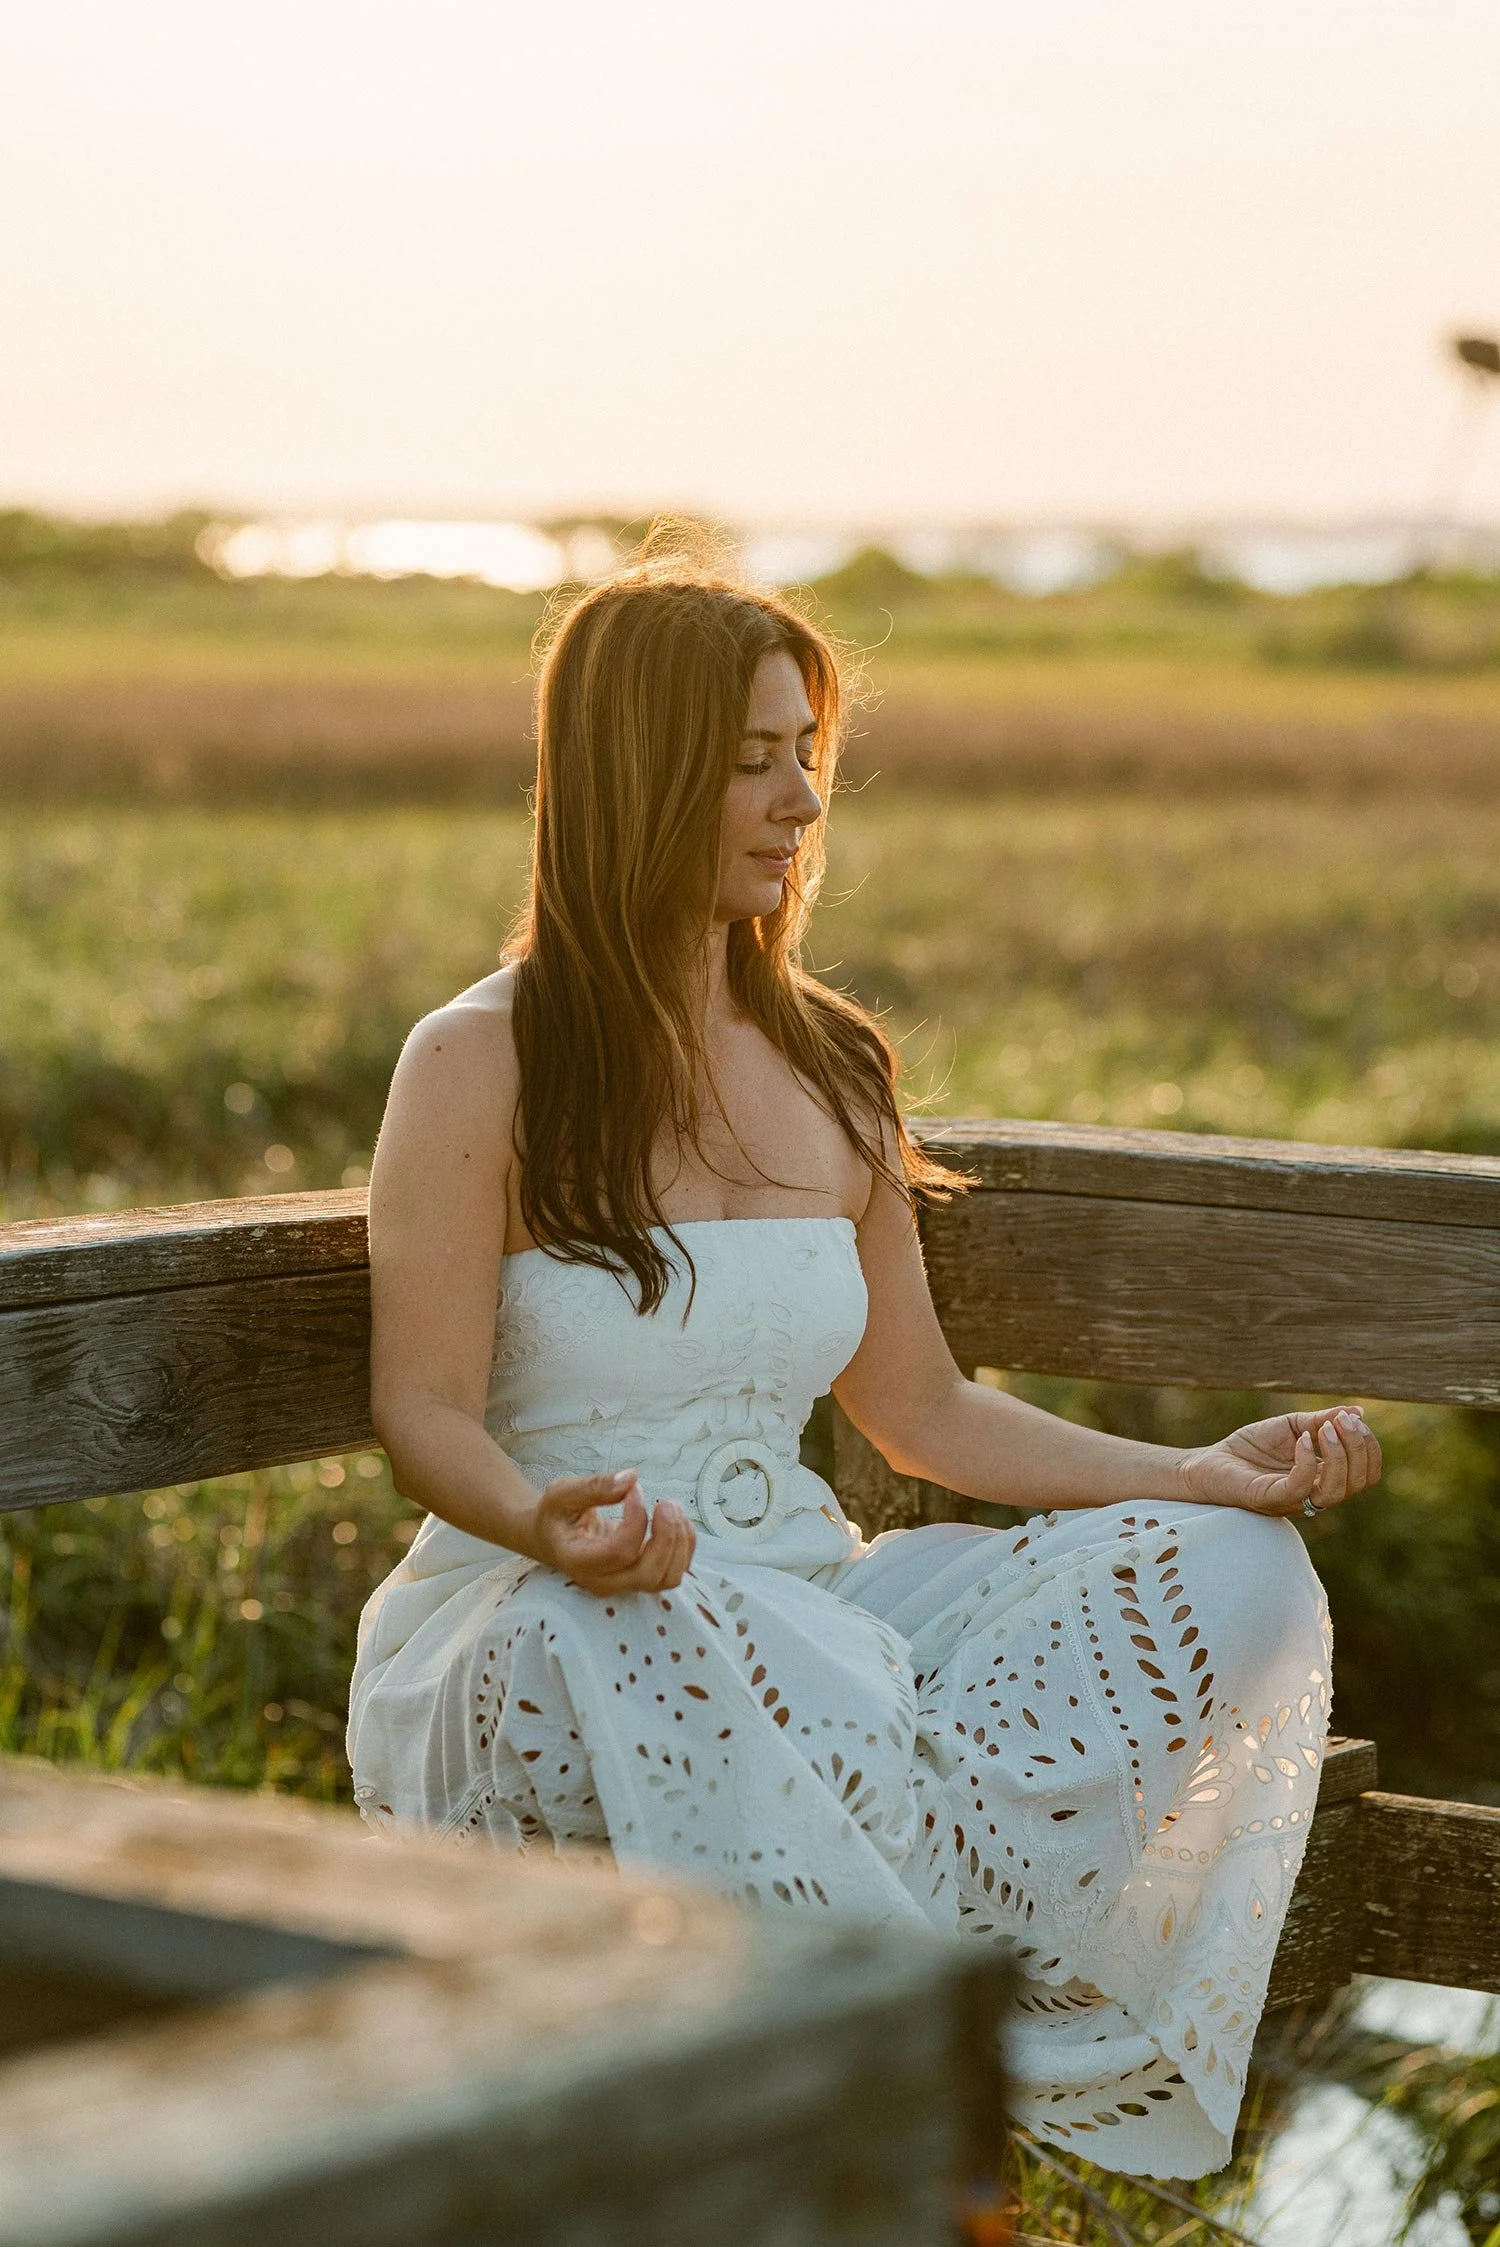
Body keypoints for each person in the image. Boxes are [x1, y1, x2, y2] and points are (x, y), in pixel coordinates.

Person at [348, 549, 1380, 2180]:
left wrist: (1194, 1473)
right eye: (754, 762)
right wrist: (554, 1524)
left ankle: (938, 2002)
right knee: (694, 1631)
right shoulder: (481, 1060)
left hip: (803, 1596)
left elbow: (922, 1409)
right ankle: (878, 2095)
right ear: (640, 774)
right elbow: (422, 1412)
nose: (801, 803)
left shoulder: (832, 1064)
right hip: (541, 1613)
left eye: (805, 757)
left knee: (1232, 1571)